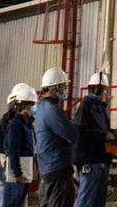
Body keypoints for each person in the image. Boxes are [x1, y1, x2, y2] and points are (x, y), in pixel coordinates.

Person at [35, 67, 78, 207]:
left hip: (47, 170)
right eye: (63, 86)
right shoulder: (52, 110)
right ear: (55, 87)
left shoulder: (41, 108)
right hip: (58, 172)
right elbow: (72, 135)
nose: (65, 89)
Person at [73, 73, 113, 207]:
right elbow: (80, 133)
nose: (106, 92)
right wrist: (104, 136)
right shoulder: (86, 106)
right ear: (98, 89)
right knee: (85, 200)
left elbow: (98, 129)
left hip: (100, 160)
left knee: (97, 201)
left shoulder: (99, 108)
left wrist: (111, 133)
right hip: (90, 161)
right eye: (105, 89)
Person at [2, 85, 37, 207]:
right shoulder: (16, 125)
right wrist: (17, 173)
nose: (34, 107)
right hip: (17, 176)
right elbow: (13, 150)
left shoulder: (25, 124)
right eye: (31, 105)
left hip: (23, 173)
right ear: (23, 106)